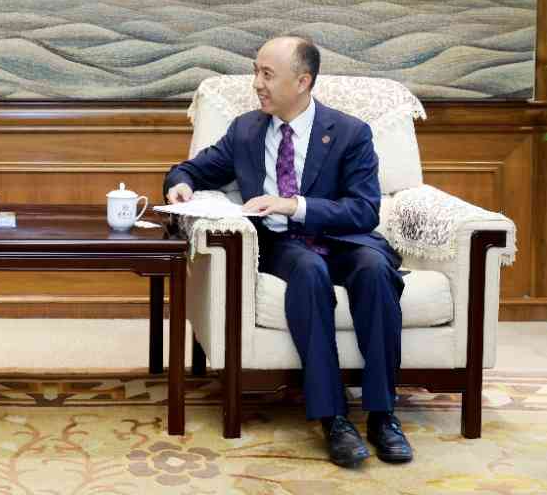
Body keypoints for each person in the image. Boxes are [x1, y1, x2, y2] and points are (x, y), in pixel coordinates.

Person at [164, 36, 412, 468]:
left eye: (267, 74)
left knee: (375, 269)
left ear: (302, 81)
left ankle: (382, 415)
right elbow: (189, 169)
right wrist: (180, 184)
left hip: (344, 240)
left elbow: (364, 210)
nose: (256, 84)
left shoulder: (350, 132)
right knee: (309, 270)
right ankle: (334, 418)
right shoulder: (245, 130)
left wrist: (293, 205)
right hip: (284, 246)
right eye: (256, 72)